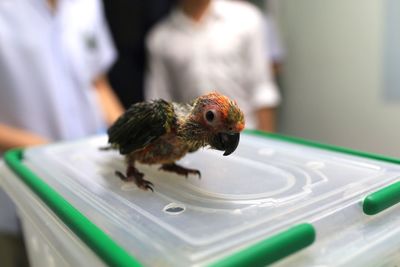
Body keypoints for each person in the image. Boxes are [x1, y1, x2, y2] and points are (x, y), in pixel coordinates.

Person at [0, 0, 123, 266]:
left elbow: (97, 83)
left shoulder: (87, 4)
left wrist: (133, 131)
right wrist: (50, 152)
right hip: (21, 187)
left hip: (92, 184)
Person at [145, 0, 281, 131]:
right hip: (192, 144)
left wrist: (265, 147)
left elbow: (262, 90)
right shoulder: (159, 39)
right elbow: (161, 102)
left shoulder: (247, 19)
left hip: (246, 135)